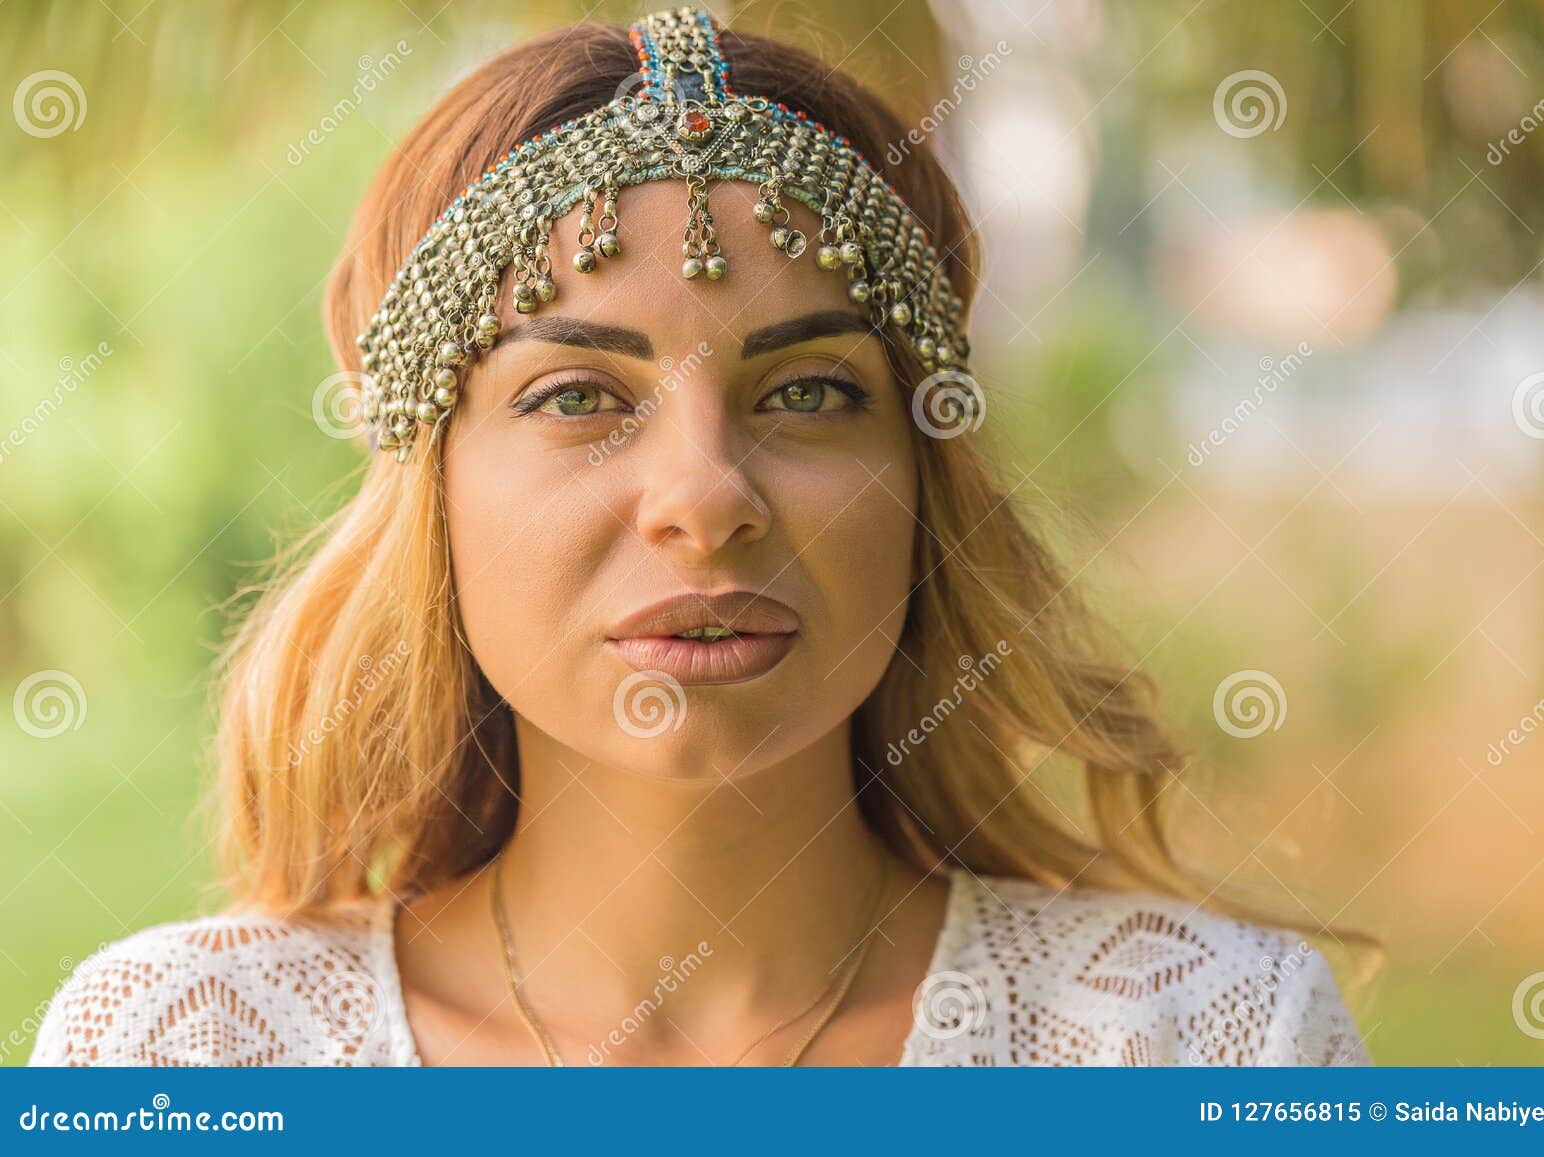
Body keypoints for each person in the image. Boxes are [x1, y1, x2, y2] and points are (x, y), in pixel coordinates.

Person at [29, 7, 1370, 1067]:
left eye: (809, 392)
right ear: (428, 495)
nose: (705, 493)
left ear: (922, 479)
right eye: (578, 398)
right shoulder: (191, 1053)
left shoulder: (1201, 1037)